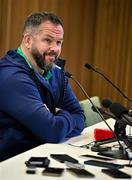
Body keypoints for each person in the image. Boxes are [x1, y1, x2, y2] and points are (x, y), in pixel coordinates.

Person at [0, 12, 85, 161]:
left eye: (59, 42)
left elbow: (80, 117)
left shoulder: (54, 70)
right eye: (47, 40)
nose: (54, 48)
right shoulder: (12, 76)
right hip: (11, 163)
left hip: (42, 156)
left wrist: (56, 117)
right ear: (27, 40)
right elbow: (52, 131)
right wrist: (62, 116)